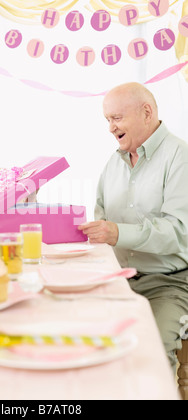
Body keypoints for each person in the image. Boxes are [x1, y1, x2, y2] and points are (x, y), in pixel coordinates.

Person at [78, 82, 188, 372]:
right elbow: (101, 221)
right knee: (83, 344)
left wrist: (117, 233)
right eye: (107, 120)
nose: (111, 127)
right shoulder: (112, 164)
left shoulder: (180, 156)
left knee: (148, 359)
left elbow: (178, 232)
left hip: (169, 283)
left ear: (147, 113)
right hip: (118, 281)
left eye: (116, 118)